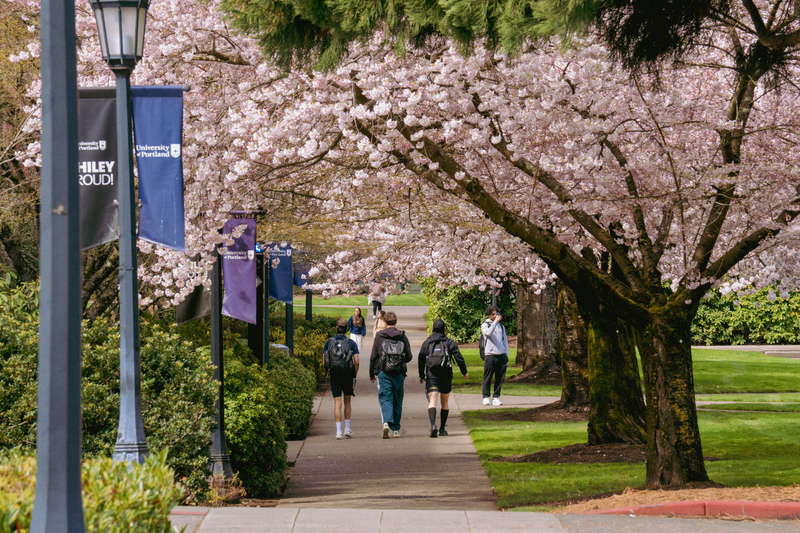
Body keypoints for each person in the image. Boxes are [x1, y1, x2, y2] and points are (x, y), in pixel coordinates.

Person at [418, 318, 468, 437]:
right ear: (444, 329)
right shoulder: (449, 342)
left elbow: (421, 359)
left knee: (432, 401)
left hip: (432, 374)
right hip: (446, 374)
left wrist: (422, 375)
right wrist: (464, 371)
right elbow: (459, 358)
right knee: (444, 402)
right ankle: (442, 428)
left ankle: (432, 425)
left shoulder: (427, 342)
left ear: (433, 329)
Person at [369, 310, 412, 438]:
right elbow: (409, 357)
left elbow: (373, 356)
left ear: (385, 322)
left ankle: (386, 422)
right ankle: (396, 429)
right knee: (397, 399)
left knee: (385, 397)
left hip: (383, 372)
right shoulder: (402, 337)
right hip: (398, 373)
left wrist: (371, 373)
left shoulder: (379, 336)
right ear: (395, 322)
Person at [323, 318, 360, 439]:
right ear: (347, 329)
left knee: (337, 402)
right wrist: (354, 373)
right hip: (348, 374)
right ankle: (347, 428)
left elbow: (325, 361)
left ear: (336, 328)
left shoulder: (329, 342)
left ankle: (338, 431)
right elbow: (357, 361)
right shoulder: (351, 343)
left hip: (335, 374)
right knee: (347, 401)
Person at [481, 305, 509, 406]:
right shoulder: (486, 325)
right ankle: (485, 397)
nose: (495, 316)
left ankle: (496, 397)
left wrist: (506, 353)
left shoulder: (501, 326)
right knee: (487, 376)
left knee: (500, 377)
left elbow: (504, 340)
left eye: (496, 313)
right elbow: (488, 333)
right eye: (493, 314)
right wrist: (495, 322)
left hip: (501, 354)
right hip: (490, 354)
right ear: (489, 315)